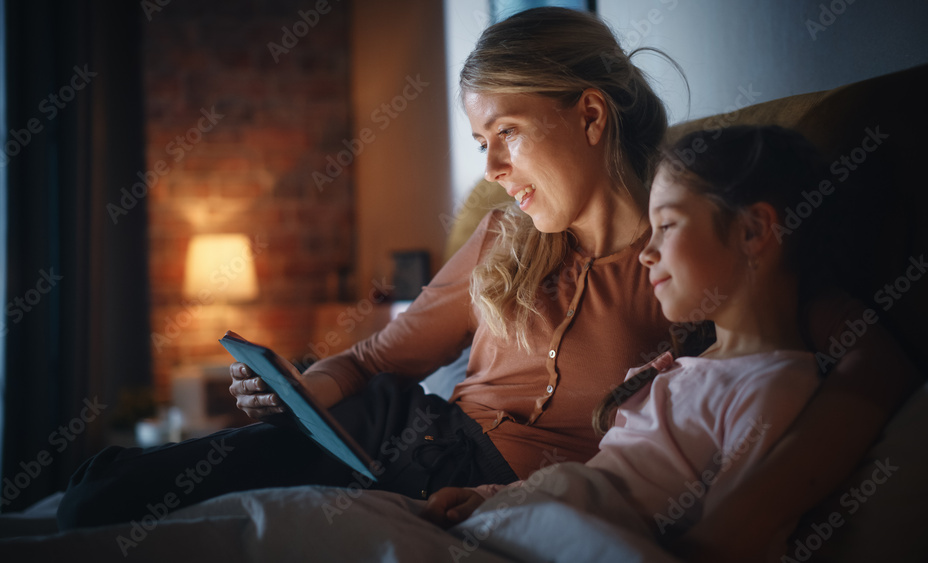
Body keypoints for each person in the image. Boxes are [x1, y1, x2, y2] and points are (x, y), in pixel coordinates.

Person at [59, 10, 919, 551]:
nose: (496, 168)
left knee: (123, 509)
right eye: (482, 146)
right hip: (393, 431)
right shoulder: (506, 238)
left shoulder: (697, 250)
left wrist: (745, 515)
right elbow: (372, 362)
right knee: (106, 489)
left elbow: (874, 365)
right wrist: (300, 394)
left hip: (473, 480)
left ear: (588, 114)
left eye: (508, 132)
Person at [421, 125, 836, 560]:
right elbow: (602, 475)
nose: (645, 253)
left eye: (668, 225)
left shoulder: (771, 387)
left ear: (753, 232)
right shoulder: (685, 362)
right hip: (524, 515)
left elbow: (734, 536)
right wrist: (490, 497)